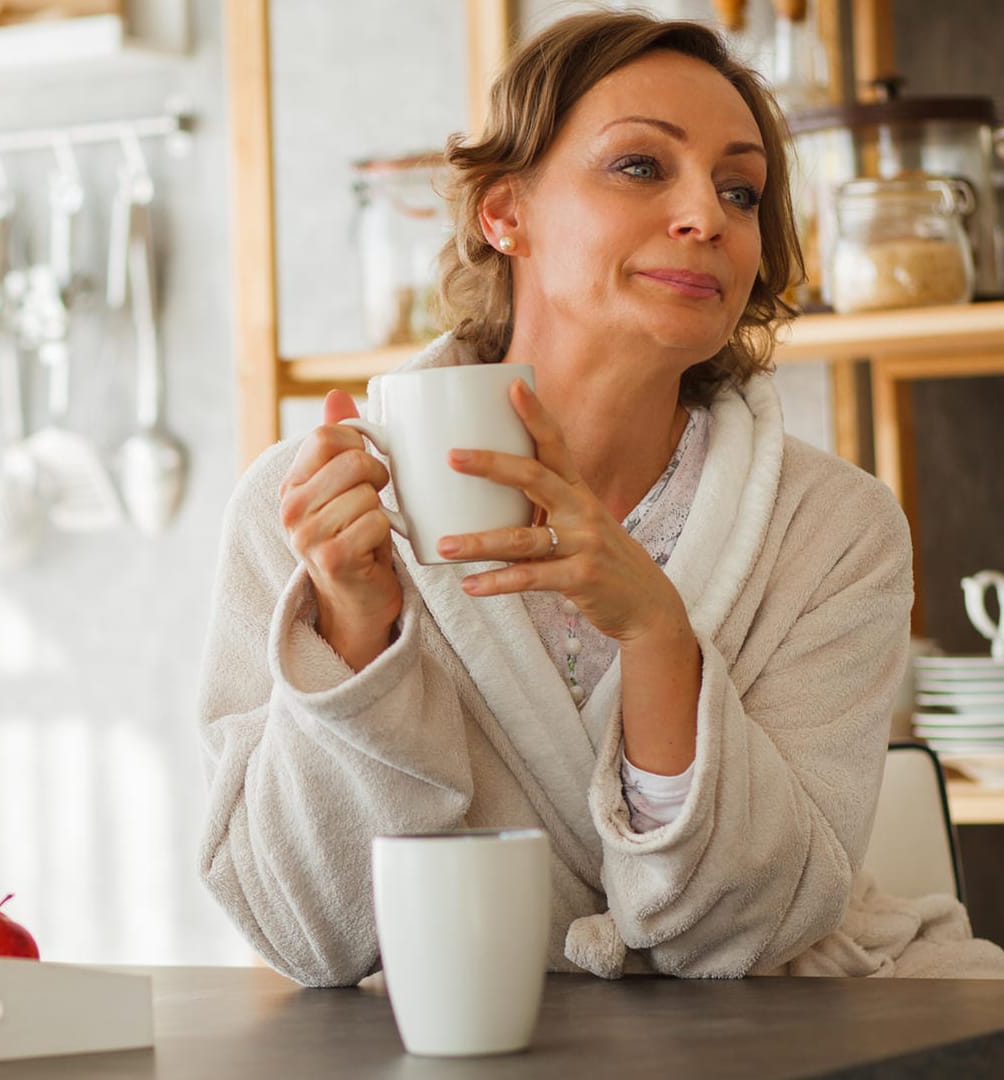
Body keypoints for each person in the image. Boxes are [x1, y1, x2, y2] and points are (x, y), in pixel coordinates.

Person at [197, 10, 1004, 983]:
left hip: (778, 1031)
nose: (707, 214)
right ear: (506, 214)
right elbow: (308, 937)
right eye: (640, 166)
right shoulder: (315, 510)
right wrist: (354, 630)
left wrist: (660, 636)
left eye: (741, 189)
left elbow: (757, 930)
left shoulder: (833, 530)